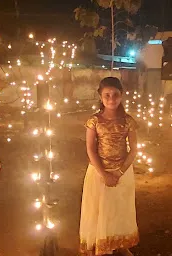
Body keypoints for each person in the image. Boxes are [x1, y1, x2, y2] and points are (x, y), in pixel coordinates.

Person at [79, 77, 139, 256]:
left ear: (121, 96)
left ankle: (120, 242)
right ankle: (101, 244)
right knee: (100, 209)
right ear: (100, 96)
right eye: (107, 95)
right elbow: (90, 149)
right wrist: (104, 174)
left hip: (123, 173)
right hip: (98, 173)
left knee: (120, 208)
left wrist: (119, 172)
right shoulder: (94, 121)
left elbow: (134, 149)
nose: (111, 99)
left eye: (115, 95)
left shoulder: (128, 121)